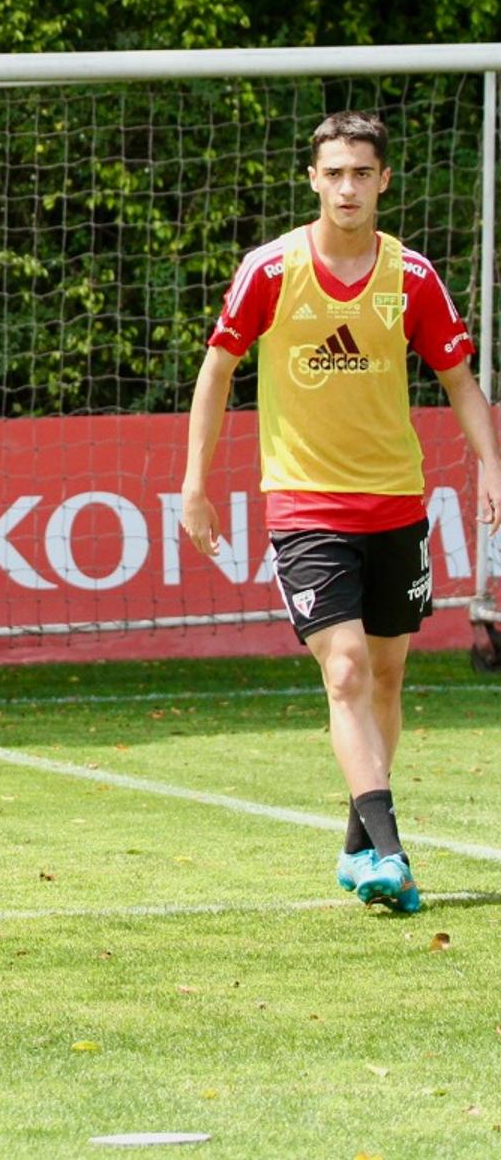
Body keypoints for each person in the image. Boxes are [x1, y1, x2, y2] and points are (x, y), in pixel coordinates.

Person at [181, 110, 501, 914]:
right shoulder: (271, 268)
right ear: (313, 178)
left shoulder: (414, 278)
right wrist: (196, 482)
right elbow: (218, 369)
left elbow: (459, 378)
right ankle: (391, 853)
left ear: (384, 180)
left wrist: (492, 466)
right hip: (304, 504)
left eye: (363, 172)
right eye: (335, 173)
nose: (348, 186)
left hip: (395, 501)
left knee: (387, 677)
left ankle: (357, 846)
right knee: (348, 668)